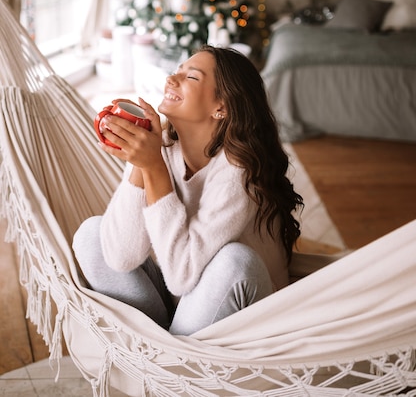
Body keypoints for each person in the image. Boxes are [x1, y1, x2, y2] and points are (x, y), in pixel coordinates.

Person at [73, 45, 303, 335]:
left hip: (243, 318)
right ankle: (160, 349)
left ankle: (170, 360)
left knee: (234, 259)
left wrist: (154, 167)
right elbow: (120, 258)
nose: (171, 80)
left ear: (222, 107)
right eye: (175, 72)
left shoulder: (240, 172)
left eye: (191, 77)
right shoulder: (161, 148)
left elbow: (182, 276)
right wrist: (141, 163)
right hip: (183, 311)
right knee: (91, 234)